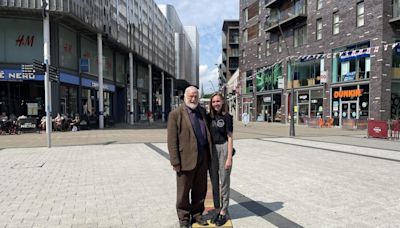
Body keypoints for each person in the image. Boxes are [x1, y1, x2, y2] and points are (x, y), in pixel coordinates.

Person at [167, 86, 212, 228]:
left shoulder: (202, 112)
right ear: (185, 96)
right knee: (183, 192)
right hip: (184, 159)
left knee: (200, 189)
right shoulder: (175, 114)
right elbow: (172, 140)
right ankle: (184, 218)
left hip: (202, 158)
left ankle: (197, 214)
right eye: (191, 96)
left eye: (195, 96)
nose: (193, 99)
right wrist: (175, 161)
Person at [207, 92, 234, 226]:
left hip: (223, 148)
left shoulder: (227, 117)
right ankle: (217, 208)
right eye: (213, 102)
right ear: (210, 104)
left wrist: (229, 157)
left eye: (218, 101)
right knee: (214, 181)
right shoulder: (208, 117)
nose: (216, 104)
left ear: (222, 102)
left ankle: (224, 210)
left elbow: (230, 137)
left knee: (224, 181)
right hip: (212, 150)